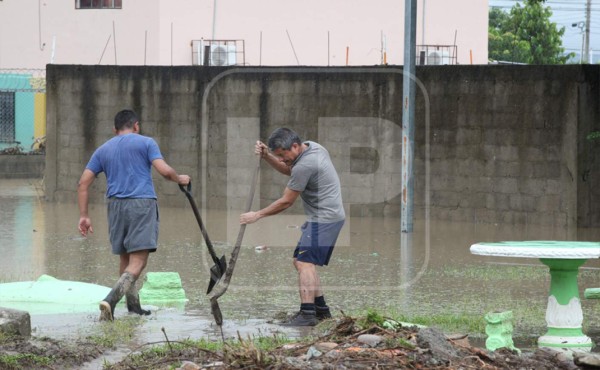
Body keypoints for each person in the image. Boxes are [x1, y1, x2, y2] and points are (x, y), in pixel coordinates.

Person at [77, 109, 190, 321]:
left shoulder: (103, 150)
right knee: (138, 261)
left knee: (126, 257)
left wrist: (84, 215)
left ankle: (133, 306)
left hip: (114, 206)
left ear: (114, 129)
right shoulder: (146, 142)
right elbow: (164, 172)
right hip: (141, 204)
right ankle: (110, 300)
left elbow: (83, 183)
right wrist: (180, 178)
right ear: (136, 125)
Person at [240, 128, 345, 326]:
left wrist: (257, 215)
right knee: (300, 261)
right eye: (278, 155)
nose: (281, 159)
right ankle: (321, 310)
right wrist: (267, 156)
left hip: (324, 219)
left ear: (295, 146)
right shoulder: (313, 147)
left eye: (282, 154)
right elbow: (289, 168)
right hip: (325, 217)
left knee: (305, 263)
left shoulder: (305, 165)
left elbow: (286, 201)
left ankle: (307, 315)